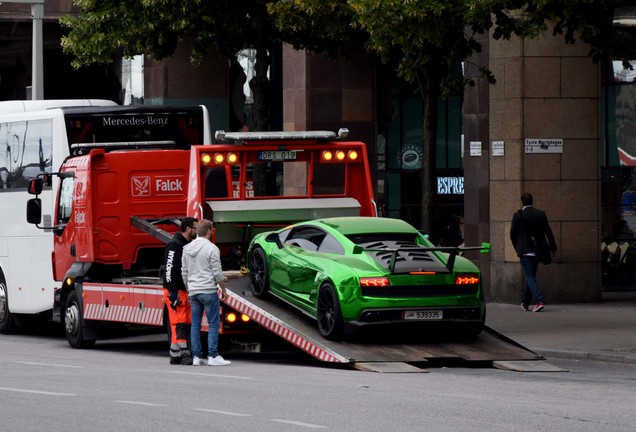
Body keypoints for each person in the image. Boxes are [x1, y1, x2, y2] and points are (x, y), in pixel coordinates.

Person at [181, 219, 231, 366]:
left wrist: (188, 288)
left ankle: (197, 357)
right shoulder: (212, 248)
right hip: (208, 291)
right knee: (213, 324)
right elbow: (217, 273)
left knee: (195, 324)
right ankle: (213, 355)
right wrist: (223, 289)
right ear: (209, 232)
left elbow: (184, 272)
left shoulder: (187, 248)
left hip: (194, 291)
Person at [510, 192, 557, 312]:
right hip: (538, 250)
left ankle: (539, 300)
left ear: (522, 202)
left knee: (530, 276)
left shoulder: (518, 215)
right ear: (532, 201)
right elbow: (548, 232)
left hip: (524, 250)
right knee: (530, 276)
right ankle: (525, 302)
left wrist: (518, 247)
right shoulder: (540, 214)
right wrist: (553, 247)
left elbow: (512, 234)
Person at [163, 217, 198, 365]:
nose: (197, 231)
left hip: (181, 289)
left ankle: (175, 353)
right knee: (180, 322)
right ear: (188, 229)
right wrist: (172, 291)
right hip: (175, 290)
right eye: (195, 228)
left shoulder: (185, 244)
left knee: (181, 321)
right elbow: (169, 269)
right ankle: (183, 353)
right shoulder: (174, 245)